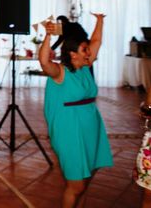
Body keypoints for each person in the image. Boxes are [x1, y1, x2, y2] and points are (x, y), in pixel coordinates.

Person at [39, 13, 112, 208]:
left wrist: (100, 20)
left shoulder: (86, 66)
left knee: (86, 178)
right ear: (72, 53)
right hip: (68, 129)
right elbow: (45, 62)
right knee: (76, 185)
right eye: (84, 49)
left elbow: (96, 41)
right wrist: (48, 36)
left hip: (91, 126)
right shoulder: (60, 72)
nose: (89, 52)